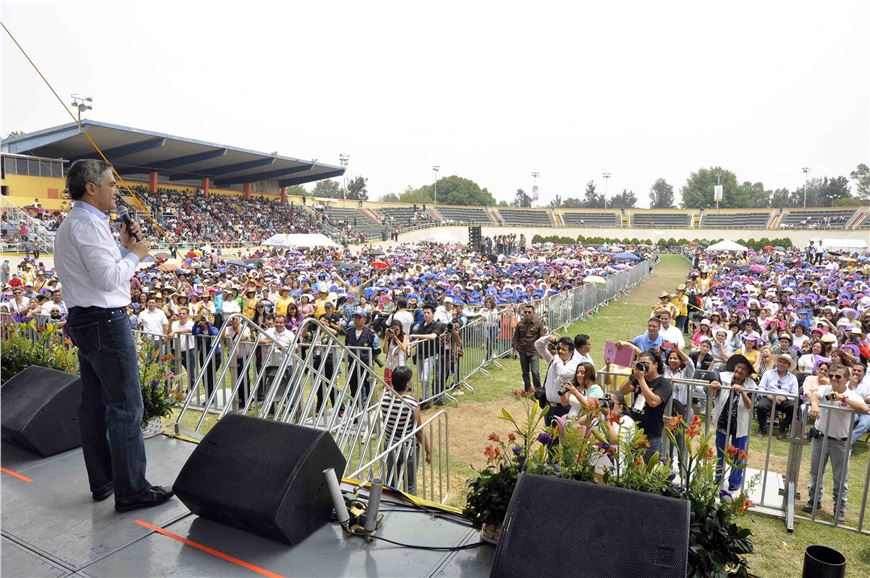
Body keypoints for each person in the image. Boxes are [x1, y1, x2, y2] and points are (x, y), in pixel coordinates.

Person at [54, 159, 173, 512]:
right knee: (126, 407)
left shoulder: (75, 223)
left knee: (95, 404)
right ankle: (132, 489)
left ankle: (105, 480)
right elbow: (109, 281)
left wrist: (123, 248)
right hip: (105, 322)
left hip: (87, 319)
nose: (115, 190)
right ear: (91, 187)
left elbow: (100, 275)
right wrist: (136, 255)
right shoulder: (87, 226)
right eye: (110, 184)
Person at [804, 365, 869, 522]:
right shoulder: (825, 390)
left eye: (838, 377)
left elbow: (864, 408)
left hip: (840, 443)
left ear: (847, 379)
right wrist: (814, 405)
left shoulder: (851, 395)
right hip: (820, 438)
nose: (833, 378)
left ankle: (839, 510)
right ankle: (814, 501)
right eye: (832, 375)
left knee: (840, 479)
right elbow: (814, 396)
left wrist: (842, 399)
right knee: (815, 473)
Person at [709, 354, 757, 492]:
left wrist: (742, 393)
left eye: (743, 369)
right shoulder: (723, 377)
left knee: (739, 454)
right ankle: (718, 478)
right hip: (723, 419)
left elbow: (750, 406)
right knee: (721, 451)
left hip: (740, 424)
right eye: (738, 367)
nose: (739, 370)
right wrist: (714, 385)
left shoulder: (751, 385)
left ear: (747, 373)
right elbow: (714, 390)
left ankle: (734, 482)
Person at [380, 366, 431, 494]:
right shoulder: (412, 403)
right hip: (408, 447)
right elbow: (418, 431)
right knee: (410, 485)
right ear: (407, 383)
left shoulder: (385, 399)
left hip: (390, 444)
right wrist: (428, 450)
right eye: (411, 380)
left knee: (392, 480)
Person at [619, 349, 672, 461]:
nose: (643, 367)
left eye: (646, 364)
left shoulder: (664, 384)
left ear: (656, 365)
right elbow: (622, 391)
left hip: (651, 436)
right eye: (641, 363)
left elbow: (653, 402)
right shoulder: (638, 378)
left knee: (648, 471)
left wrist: (641, 379)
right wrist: (632, 375)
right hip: (633, 432)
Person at [535, 334, 580, 427]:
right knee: (549, 437)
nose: (560, 351)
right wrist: (548, 338)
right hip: (548, 406)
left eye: (563, 349)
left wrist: (555, 356)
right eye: (559, 348)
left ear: (571, 352)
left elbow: (562, 373)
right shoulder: (553, 359)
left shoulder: (574, 365)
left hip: (564, 408)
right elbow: (537, 345)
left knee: (562, 438)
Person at [344, 309, 381, 411]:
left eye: (359, 318)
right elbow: (346, 347)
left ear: (364, 319)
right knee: (354, 387)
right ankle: (356, 408)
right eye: (355, 317)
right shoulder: (349, 332)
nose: (356, 320)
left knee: (367, 387)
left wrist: (369, 360)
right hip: (353, 366)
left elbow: (377, 350)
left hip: (366, 366)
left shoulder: (371, 334)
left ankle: (368, 407)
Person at [755, 354, 798, 439]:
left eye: (784, 363)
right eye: (780, 361)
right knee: (760, 406)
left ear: (789, 366)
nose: (781, 364)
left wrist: (784, 398)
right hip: (769, 397)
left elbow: (794, 394)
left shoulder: (793, 378)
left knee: (794, 408)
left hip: (784, 399)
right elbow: (761, 388)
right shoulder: (768, 373)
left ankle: (783, 427)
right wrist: (769, 396)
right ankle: (762, 428)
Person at [410, 304, 444, 407]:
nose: (426, 315)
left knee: (424, 377)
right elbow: (419, 339)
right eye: (424, 313)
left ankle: (427, 399)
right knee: (421, 378)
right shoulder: (421, 324)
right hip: (420, 355)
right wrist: (411, 345)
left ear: (433, 313)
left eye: (428, 313)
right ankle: (425, 398)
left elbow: (433, 336)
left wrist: (416, 335)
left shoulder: (436, 325)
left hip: (430, 355)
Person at [512, 304, 545, 392]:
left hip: (534, 352)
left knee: (535, 372)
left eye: (529, 312)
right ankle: (528, 390)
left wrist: (543, 352)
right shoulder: (519, 324)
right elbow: (515, 338)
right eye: (525, 312)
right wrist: (514, 350)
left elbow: (542, 338)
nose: (527, 314)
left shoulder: (538, 324)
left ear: (533, 313)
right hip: (522, 351)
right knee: (525, 372)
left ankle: (538, 391)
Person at [849, 363, 870, 444]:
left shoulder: (868, 383)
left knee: (864, 425)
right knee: (847, 421)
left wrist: (858, 401)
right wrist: (850, 384)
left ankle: (848, 443)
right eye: (854, 370)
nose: (856, 372)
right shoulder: (847, 381)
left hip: (866, 411)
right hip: (852, 409)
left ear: (864, 373)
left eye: (859, 371)